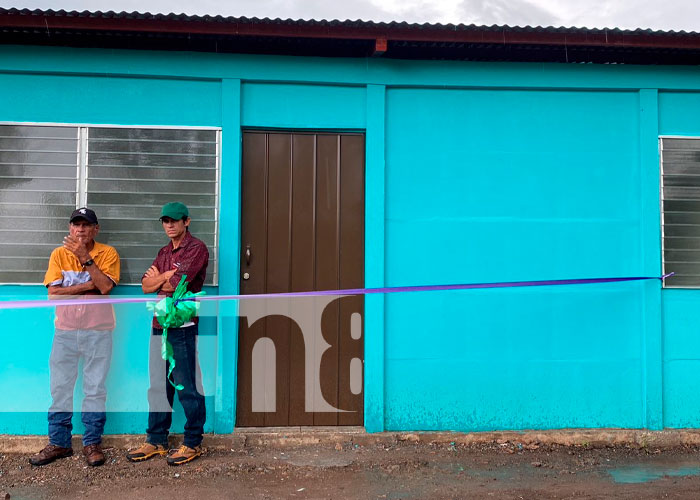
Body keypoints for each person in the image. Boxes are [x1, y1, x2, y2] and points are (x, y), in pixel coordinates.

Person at [29, 208, 120, 467]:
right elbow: (53, 295)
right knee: (60, 388)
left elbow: (104, 287)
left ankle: (92, 443)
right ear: (70, 229)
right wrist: (86, 286)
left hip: (98, 331)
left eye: (86, 225)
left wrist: (85, 259)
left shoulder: (108, 253)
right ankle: (59, 443)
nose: (80, 230)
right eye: (76, 225)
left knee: (94, 389)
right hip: (65, 332)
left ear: (96, 229)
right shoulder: (58, 254)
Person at [126, 202, 209, 466]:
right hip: (159, 324)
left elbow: (177, 284)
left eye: (174, 220)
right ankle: (156, 440)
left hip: (182, 327)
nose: (169, 225)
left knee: (186, 386)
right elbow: (145, 286)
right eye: (165, 221)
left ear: (187, 221)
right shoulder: (163, 252)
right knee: (158, 386)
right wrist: (165, 276)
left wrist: (162, 278)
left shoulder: (196, 249)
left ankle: (193, 442)